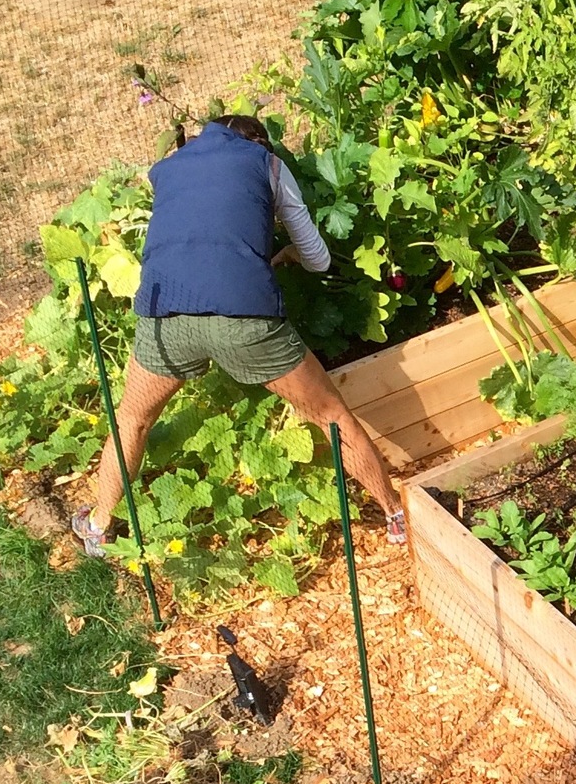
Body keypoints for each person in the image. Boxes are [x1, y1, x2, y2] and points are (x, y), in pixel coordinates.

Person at [76, 113, 402, 556]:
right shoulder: (268, 165)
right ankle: (394, 516)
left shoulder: (172, 166)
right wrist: (284, 253)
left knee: (132, 419)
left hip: (164, 309)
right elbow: (319, 258)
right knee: (332, 416)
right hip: (244, 315)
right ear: (261, 143)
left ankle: (97, 526)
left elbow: (192, 236)